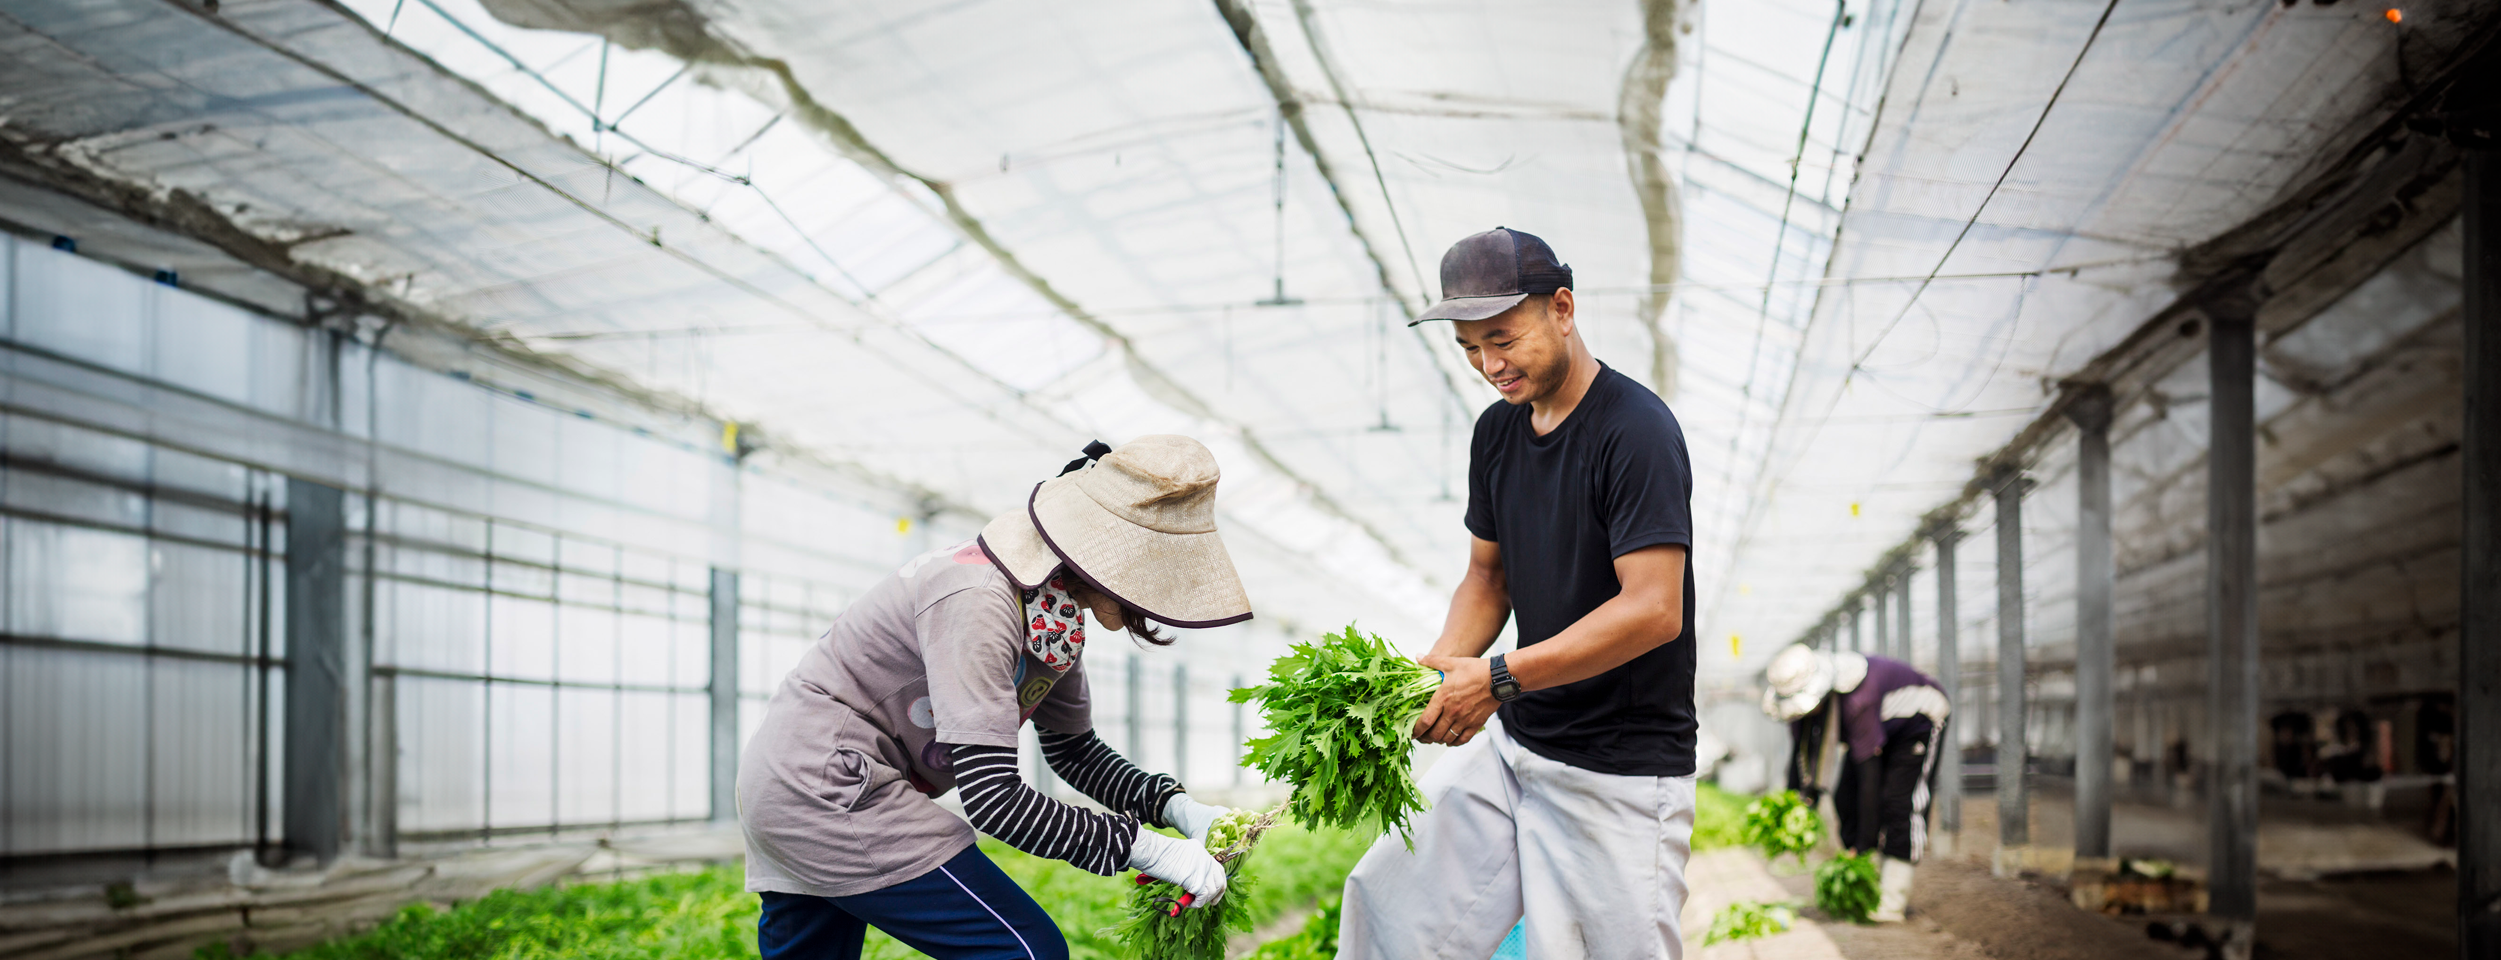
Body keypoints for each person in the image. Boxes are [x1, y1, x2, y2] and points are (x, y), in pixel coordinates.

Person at [738, 435, 1252, 960]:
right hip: (827, 786)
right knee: (1026, 952)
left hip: (789, 782)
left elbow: (1073, 749)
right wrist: (1144, 848)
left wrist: (1175, 807)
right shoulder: (981, 600)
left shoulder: (1052, 613)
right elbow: (994, 800)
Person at [1336, 227, 1699, 959]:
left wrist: (1498, 678)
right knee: (1391, 912)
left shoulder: (1634, 430)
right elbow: (1487, 576)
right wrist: (1439, 668)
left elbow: (1654, 609)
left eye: (1502, 338)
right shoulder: (1496, 434)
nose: (1488, 365)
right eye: (1469, 347)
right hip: (1518, 744)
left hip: (1619, 770)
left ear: (1561, 309)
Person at [1761, 642, 1951, 923]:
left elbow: (1869, 782)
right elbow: (1803, 756)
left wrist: (1863, 843)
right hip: (1881, 728)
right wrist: (1800, 802)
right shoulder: (1809, 711)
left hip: (1918, 723)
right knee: (1844, 798)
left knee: (1900, 804)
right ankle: (1866, 875)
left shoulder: (1857, 700)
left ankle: (1891, 900)